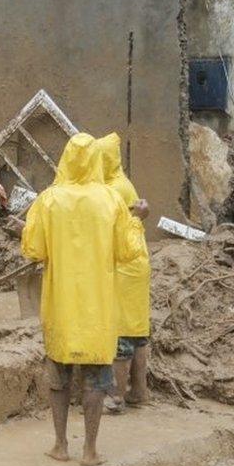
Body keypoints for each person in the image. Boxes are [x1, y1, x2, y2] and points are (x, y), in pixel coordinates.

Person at [21, 133, 146, 466]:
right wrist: (137, 220)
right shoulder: (110, 200)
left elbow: (32, 250)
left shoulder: (48, 200)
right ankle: (90, 450)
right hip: (97, 311)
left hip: (60, 307)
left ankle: (61, 445)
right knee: (95, 380)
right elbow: (127, 251)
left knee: (59, 378)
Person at [96, 133, 151, 413]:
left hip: (124, 268)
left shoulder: (112, 190)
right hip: (138, 264)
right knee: (138, 333)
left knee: (120, 335)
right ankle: (139, 392)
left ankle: (116, 396)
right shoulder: (122, 182)